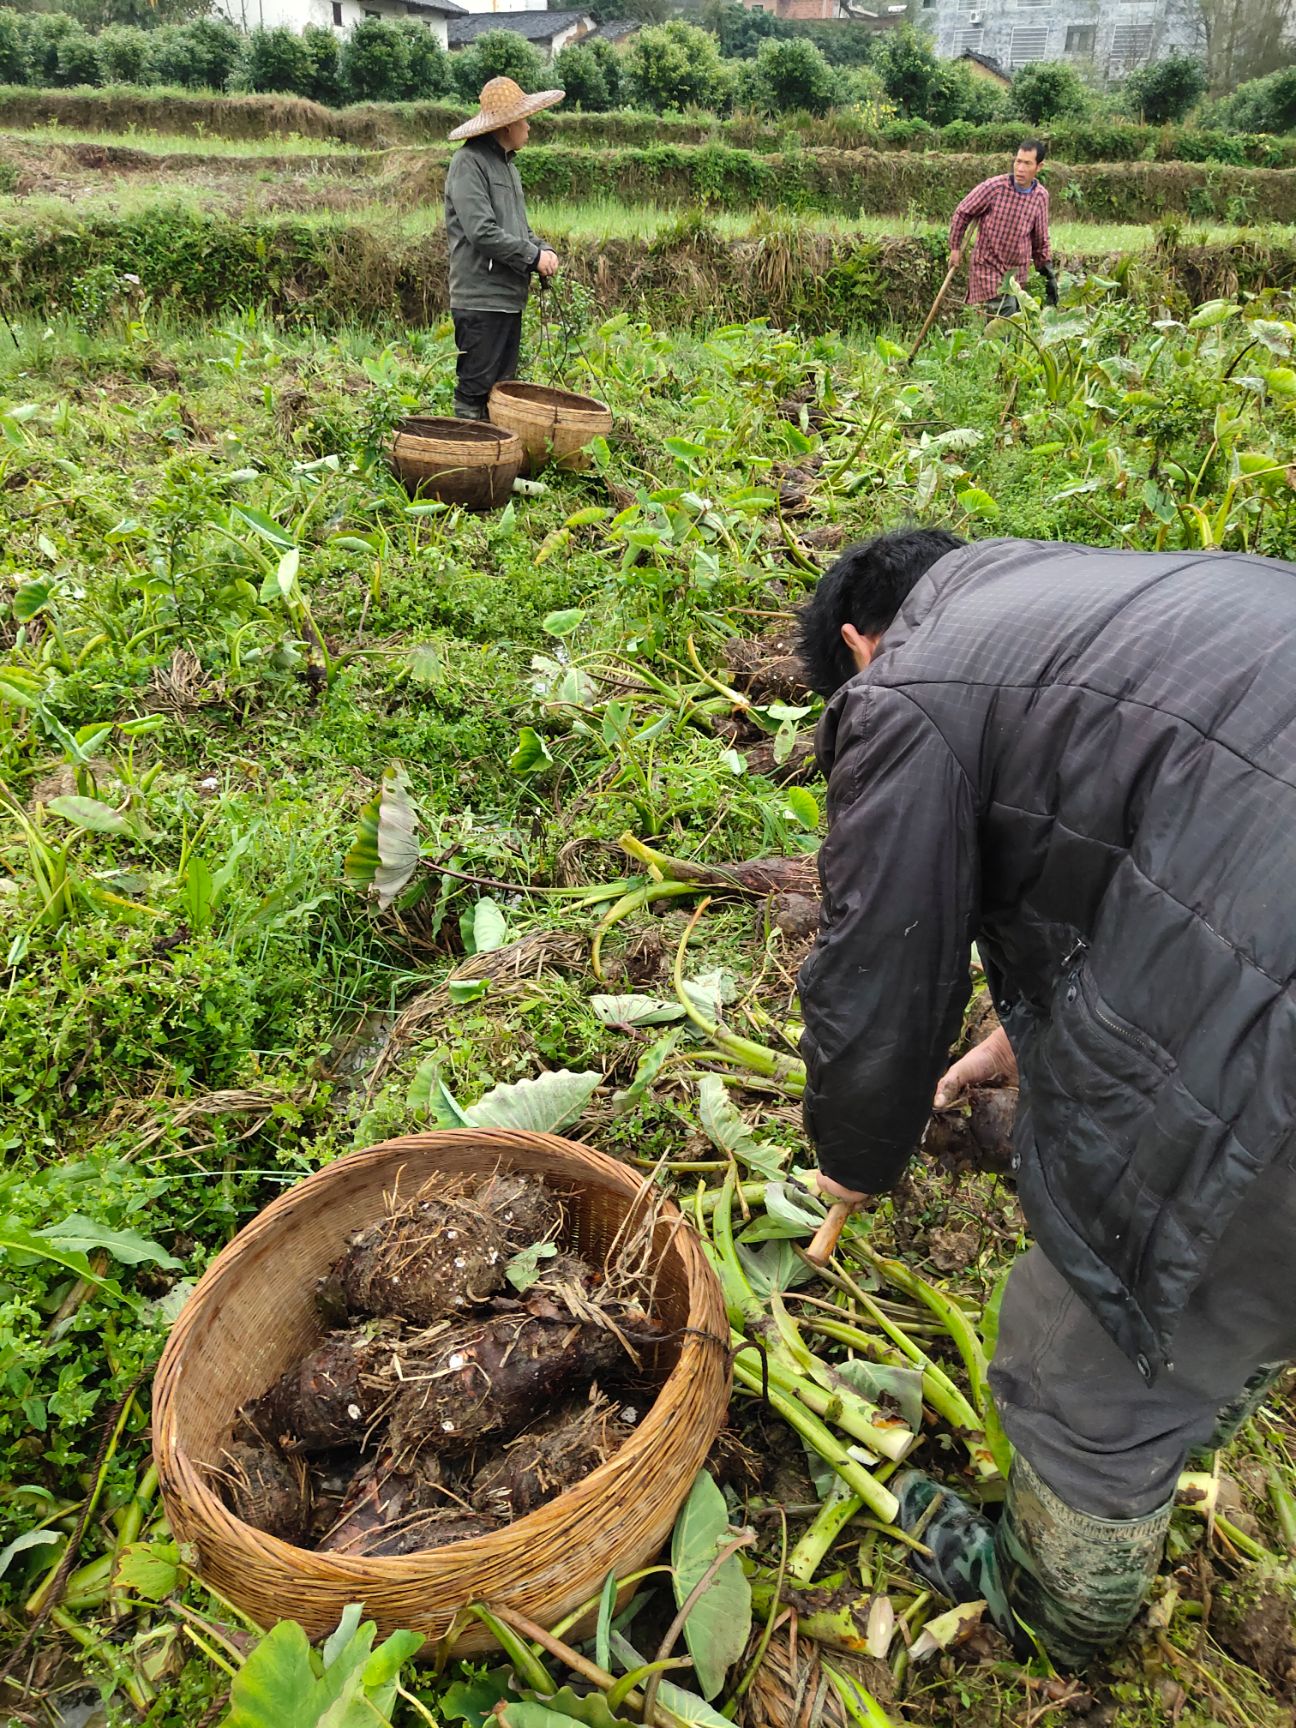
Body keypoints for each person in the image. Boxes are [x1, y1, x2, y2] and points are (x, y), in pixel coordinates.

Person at [794, 529, 1296, 1668]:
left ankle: (1057, 1618)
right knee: (1251, 1273)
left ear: (861, 646)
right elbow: (1166, 816)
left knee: (1094, 1336)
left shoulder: (908, 685)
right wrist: (1026, 1033)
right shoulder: (1102, 600)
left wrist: (853, 1153)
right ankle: (1227, 1359)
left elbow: (885, 956)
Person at [445, 77, 564, 421]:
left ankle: (493, 466)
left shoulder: (507, 166)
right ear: (508, 125)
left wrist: (543, 249)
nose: (529, 126)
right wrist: (532, 258)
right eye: (525, 120)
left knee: (501, 390)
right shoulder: (469, 163)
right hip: (481, 299)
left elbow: (518, 229)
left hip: (508, 300)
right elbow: (481, 231)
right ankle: (469, 461)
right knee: (476, 389)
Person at [949, 140, 1058, 315]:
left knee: (1014, 316)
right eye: (1018, 161)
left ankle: (988, 342)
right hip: (989, 265)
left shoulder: (1040, 196)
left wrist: (1047, 273)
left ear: (1039, 166)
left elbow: (1040, 240)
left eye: (1027, 163)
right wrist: (955, 247)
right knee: (1004, 308)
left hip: (1017, 272)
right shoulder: (995, 187)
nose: (1020, 168)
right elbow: (963, 212)